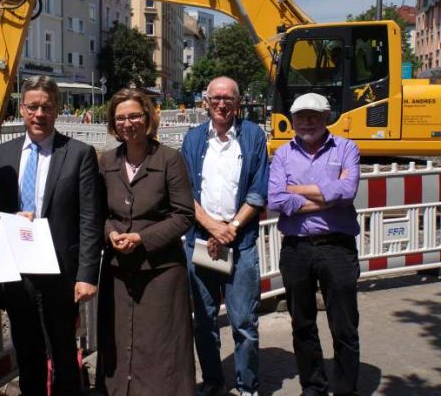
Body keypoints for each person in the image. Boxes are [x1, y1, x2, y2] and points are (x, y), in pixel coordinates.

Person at [0, 75, 104, 395]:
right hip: (19, 275)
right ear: (22, 108)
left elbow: (89, 219)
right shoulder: (3, 155)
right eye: (32, 107)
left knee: (64, 355)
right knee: (27, 356)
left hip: (61, 275)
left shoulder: (79, 153)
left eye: (46, 107)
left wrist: (86, 274)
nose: (39, 114)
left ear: (57, 110)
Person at [97, 88, 195, 395]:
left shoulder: (169, 159)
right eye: (121, 118)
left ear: (148, 118)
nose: (128, 123)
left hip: (161, 271)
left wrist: (142, 238)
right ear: (113, 124)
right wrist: (110, 233)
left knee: (161, 345)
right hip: (117, 270)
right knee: (119, 340)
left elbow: (183, 215)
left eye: (135, 116)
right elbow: (96, 213)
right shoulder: (106, 162)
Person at [268, 92, 361, 396]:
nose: (306, 122)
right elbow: (276, 199)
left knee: (344, 327)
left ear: (326, 116)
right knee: (303, 325)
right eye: (300, 116)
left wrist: (299, 192)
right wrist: (326, 197)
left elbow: (348, 191)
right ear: (292, 119)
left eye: (313, 115)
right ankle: (314, 388)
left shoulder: (347, 148)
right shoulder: (283, 154)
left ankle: (345, 389)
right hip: (297, 249)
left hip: (337, 247)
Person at [181, 76, 268, 396]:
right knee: (203, 321)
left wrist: (230, 229)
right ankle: (214, 382)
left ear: (238, 102)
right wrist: (213, 227)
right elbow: (184, 191)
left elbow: (259, 190)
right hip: (202, 240)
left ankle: (248, 386)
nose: (221, 104)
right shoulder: (192, 139)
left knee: (244, 322)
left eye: (228, 99)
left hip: (240, 243)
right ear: (205, 102)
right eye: (215, 98)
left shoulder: (253, 135)